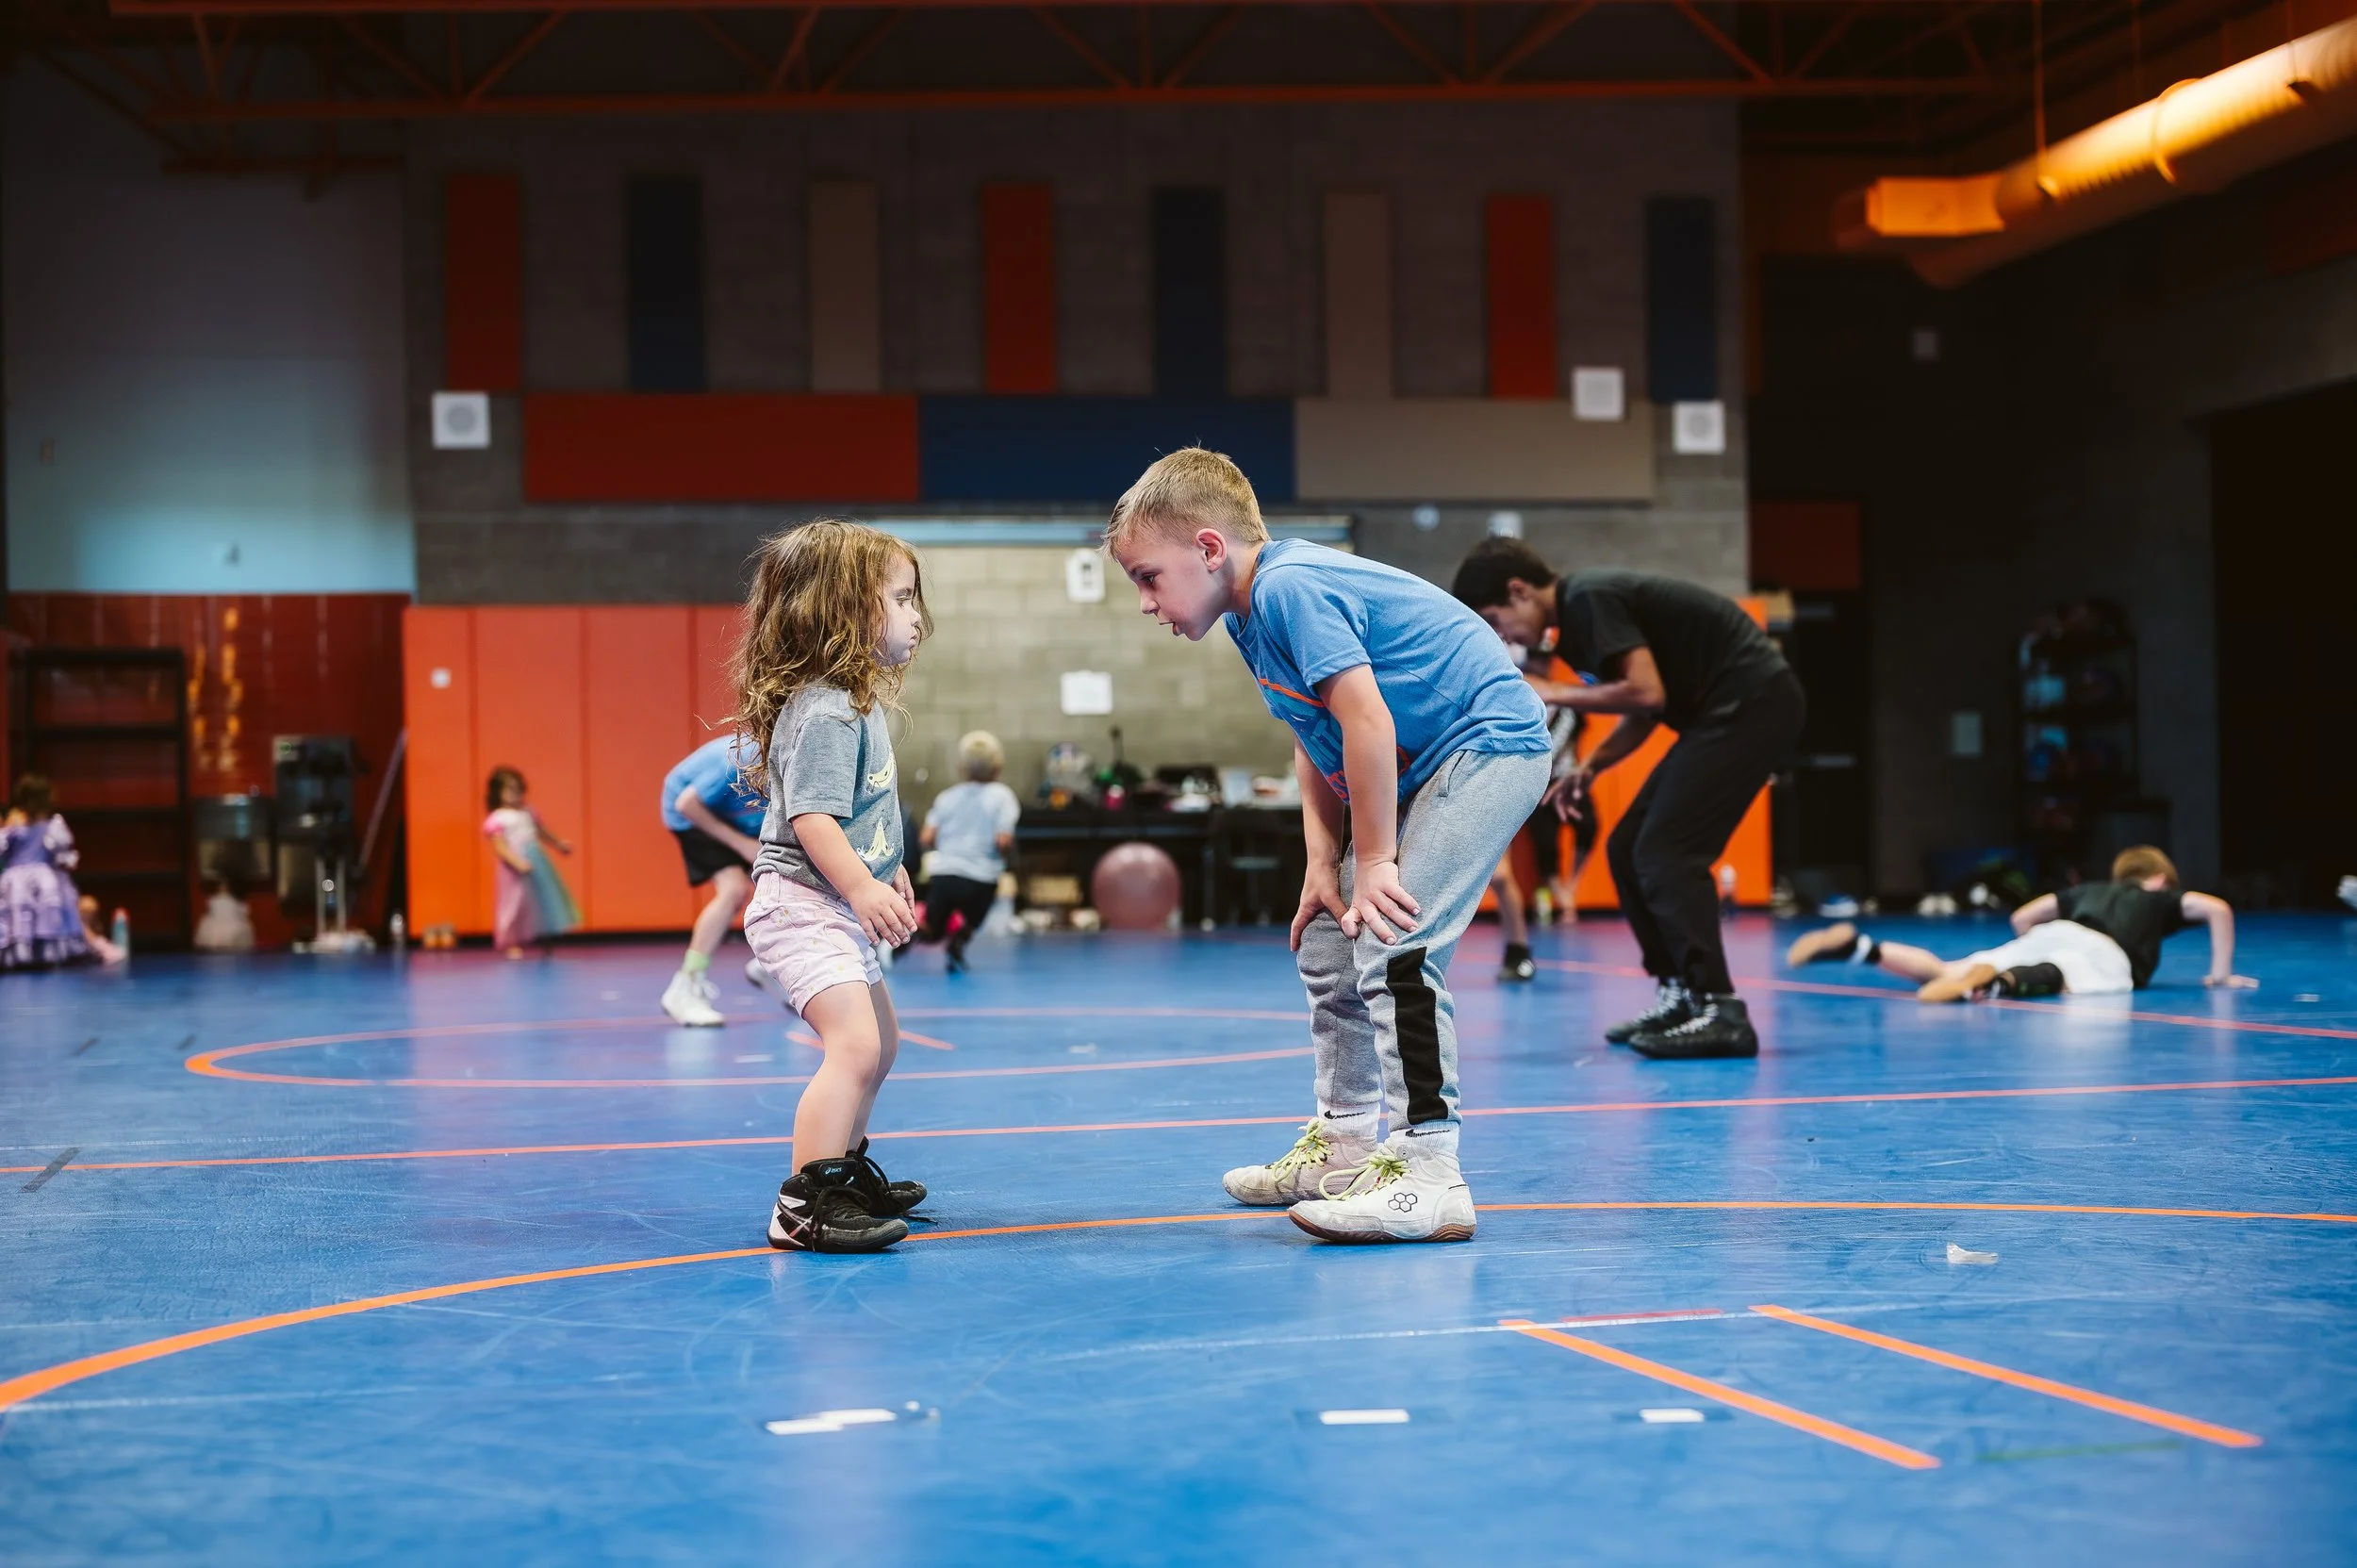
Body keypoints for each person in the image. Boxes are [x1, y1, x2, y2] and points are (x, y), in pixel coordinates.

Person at [1108, 448, 1552, 1245]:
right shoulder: (1246, 616)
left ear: (1210, 550)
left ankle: (1428, 1170)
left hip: (1488, 743)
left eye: (1148, 576)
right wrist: (1324, 865)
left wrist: (1376, 860)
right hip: (1419, 763)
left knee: (1392, 929)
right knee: (1328, 928)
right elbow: (1316, 737)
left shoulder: (1290, 586)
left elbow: (1369, 721)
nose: (1145, 601)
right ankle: (1346, 1144)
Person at [1452, 540, 1803, 1061]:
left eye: (1494, 618)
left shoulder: (1589, 599)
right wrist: (1590, 769)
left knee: (1668, 853)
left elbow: (1646, 694)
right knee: (1627, 846)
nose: (1499, 634)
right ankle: (1680, 994)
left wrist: (1553, 691)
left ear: (1519, 591)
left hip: (1752, 705)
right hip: (1719, 714)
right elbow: (1643, 709)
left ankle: (1720, 1008)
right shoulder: (1576, 625)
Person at [736, 520, 933, 1254]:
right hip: (804, 905)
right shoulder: (824, 708)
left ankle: (843, 1175)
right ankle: (804, 1203)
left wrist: (887, 869)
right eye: (903, 599)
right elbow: (813, 819)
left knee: (880, 1045)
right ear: (845, 611)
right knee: (852, 1046)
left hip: (836, 897)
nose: (917, 617)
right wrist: (859, 886)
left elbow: (863, 812)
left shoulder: (858, 702)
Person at [1788, 846, 2255, 1001]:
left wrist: (2032, 943)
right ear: (2158, 880)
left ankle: (1864, 948)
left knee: (1950, 966)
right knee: (2066, 977)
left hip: (2056, 932)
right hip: (2104, 951)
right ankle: (1997, 984)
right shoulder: (2160, 897)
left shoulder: (2087, 890)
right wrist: (2219, 973)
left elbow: (2022, 916)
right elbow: (2218, 908)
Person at [1491, 646, 1594, 982]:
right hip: (1494, 781)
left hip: (1520, 783)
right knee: (1502, 875)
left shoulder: (1551, 704)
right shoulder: (1504, 697)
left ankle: (1518, 950)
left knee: (1502, 877)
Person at [657, 734, 770, 1027]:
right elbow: (687, 805)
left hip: (739, 816)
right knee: (734, 889)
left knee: (785, 877)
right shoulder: (741, 759)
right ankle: (685, 986)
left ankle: (771, 966)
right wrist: (741, 845)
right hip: (695, 816)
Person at [915, 730, 1020, 974]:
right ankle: (959, 943)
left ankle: (897, 944)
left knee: (933, 929)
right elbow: (1003, 841)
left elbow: (927, 837)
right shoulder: (1003, 797)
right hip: (981, 878)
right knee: (975, 917)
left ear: (962, 767)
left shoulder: (947, 797)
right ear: (997, 767)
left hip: (945, 873)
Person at [1, 774, 102, 970]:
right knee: (27, 907)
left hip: (25, 877)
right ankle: (28, 951)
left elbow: (62, 854)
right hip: (30, 878)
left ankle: (36, 951)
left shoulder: (50, 827)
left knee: (34, 908)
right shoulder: (16, 827)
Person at [482, 767, 579, 959]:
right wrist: (516, 862)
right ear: (497, 793)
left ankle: (545, 937)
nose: (515, 795)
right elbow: (500, 846)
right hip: (514, 866)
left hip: (536, 861)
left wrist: (558, 844)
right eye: (509, 790)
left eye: (518, 790)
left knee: (542, 899)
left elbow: (541, 832)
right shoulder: (498, 818)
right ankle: (510, 941)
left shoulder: (528, 812)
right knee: (514, 904)